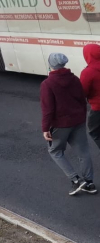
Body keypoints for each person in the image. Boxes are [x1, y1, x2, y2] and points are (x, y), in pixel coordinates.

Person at [40, 52, 96, 195]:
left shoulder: (47, 84)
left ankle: (76, 180)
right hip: (78, 121)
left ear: (50, 65)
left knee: (55, 151)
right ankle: (89, 183)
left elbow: (48, 109)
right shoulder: (75, 79)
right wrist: (82, 117)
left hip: (60, 124)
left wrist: (45, 128)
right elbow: (82, 100)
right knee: (83, 152)